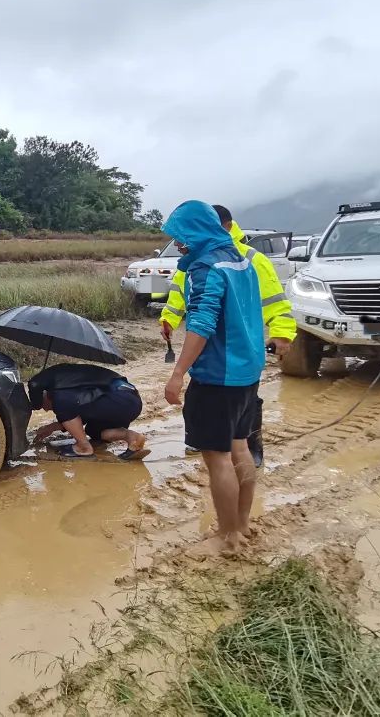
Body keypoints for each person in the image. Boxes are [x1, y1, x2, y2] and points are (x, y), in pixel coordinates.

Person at [162, 201, 265, 555]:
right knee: (240, 447)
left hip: (218, 377)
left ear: (196, 231)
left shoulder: (206, 267)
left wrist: (177, 374)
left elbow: (202, 324)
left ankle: (228, 536)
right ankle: (242, 524)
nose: (178, 244)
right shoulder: (241, 260)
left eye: (180, 236)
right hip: (247, 373)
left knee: (218, 457)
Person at [160, 204, 296, 467]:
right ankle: (224, 449)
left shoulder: (248, 258)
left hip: (226, 364)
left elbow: (274, 299)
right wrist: (169, 317)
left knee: (233, 442)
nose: (178, 243)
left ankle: (252, 449)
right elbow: (182, 291)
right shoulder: (196, 258)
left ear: (224, 226)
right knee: (231, 440)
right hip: (237, 361)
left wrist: (281, 332)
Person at [28, 363, 149, 461]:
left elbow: (34, 384)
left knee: (60, 400)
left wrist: (35, 405)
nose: (47, 410)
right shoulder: (71, 384)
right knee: (94, 431)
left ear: (46, 394)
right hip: (131, 401)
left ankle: (83, 447)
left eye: (46, 406)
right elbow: (80, 415)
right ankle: (132, 437)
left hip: (118, 397)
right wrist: (51, 427)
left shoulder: (58, 389)